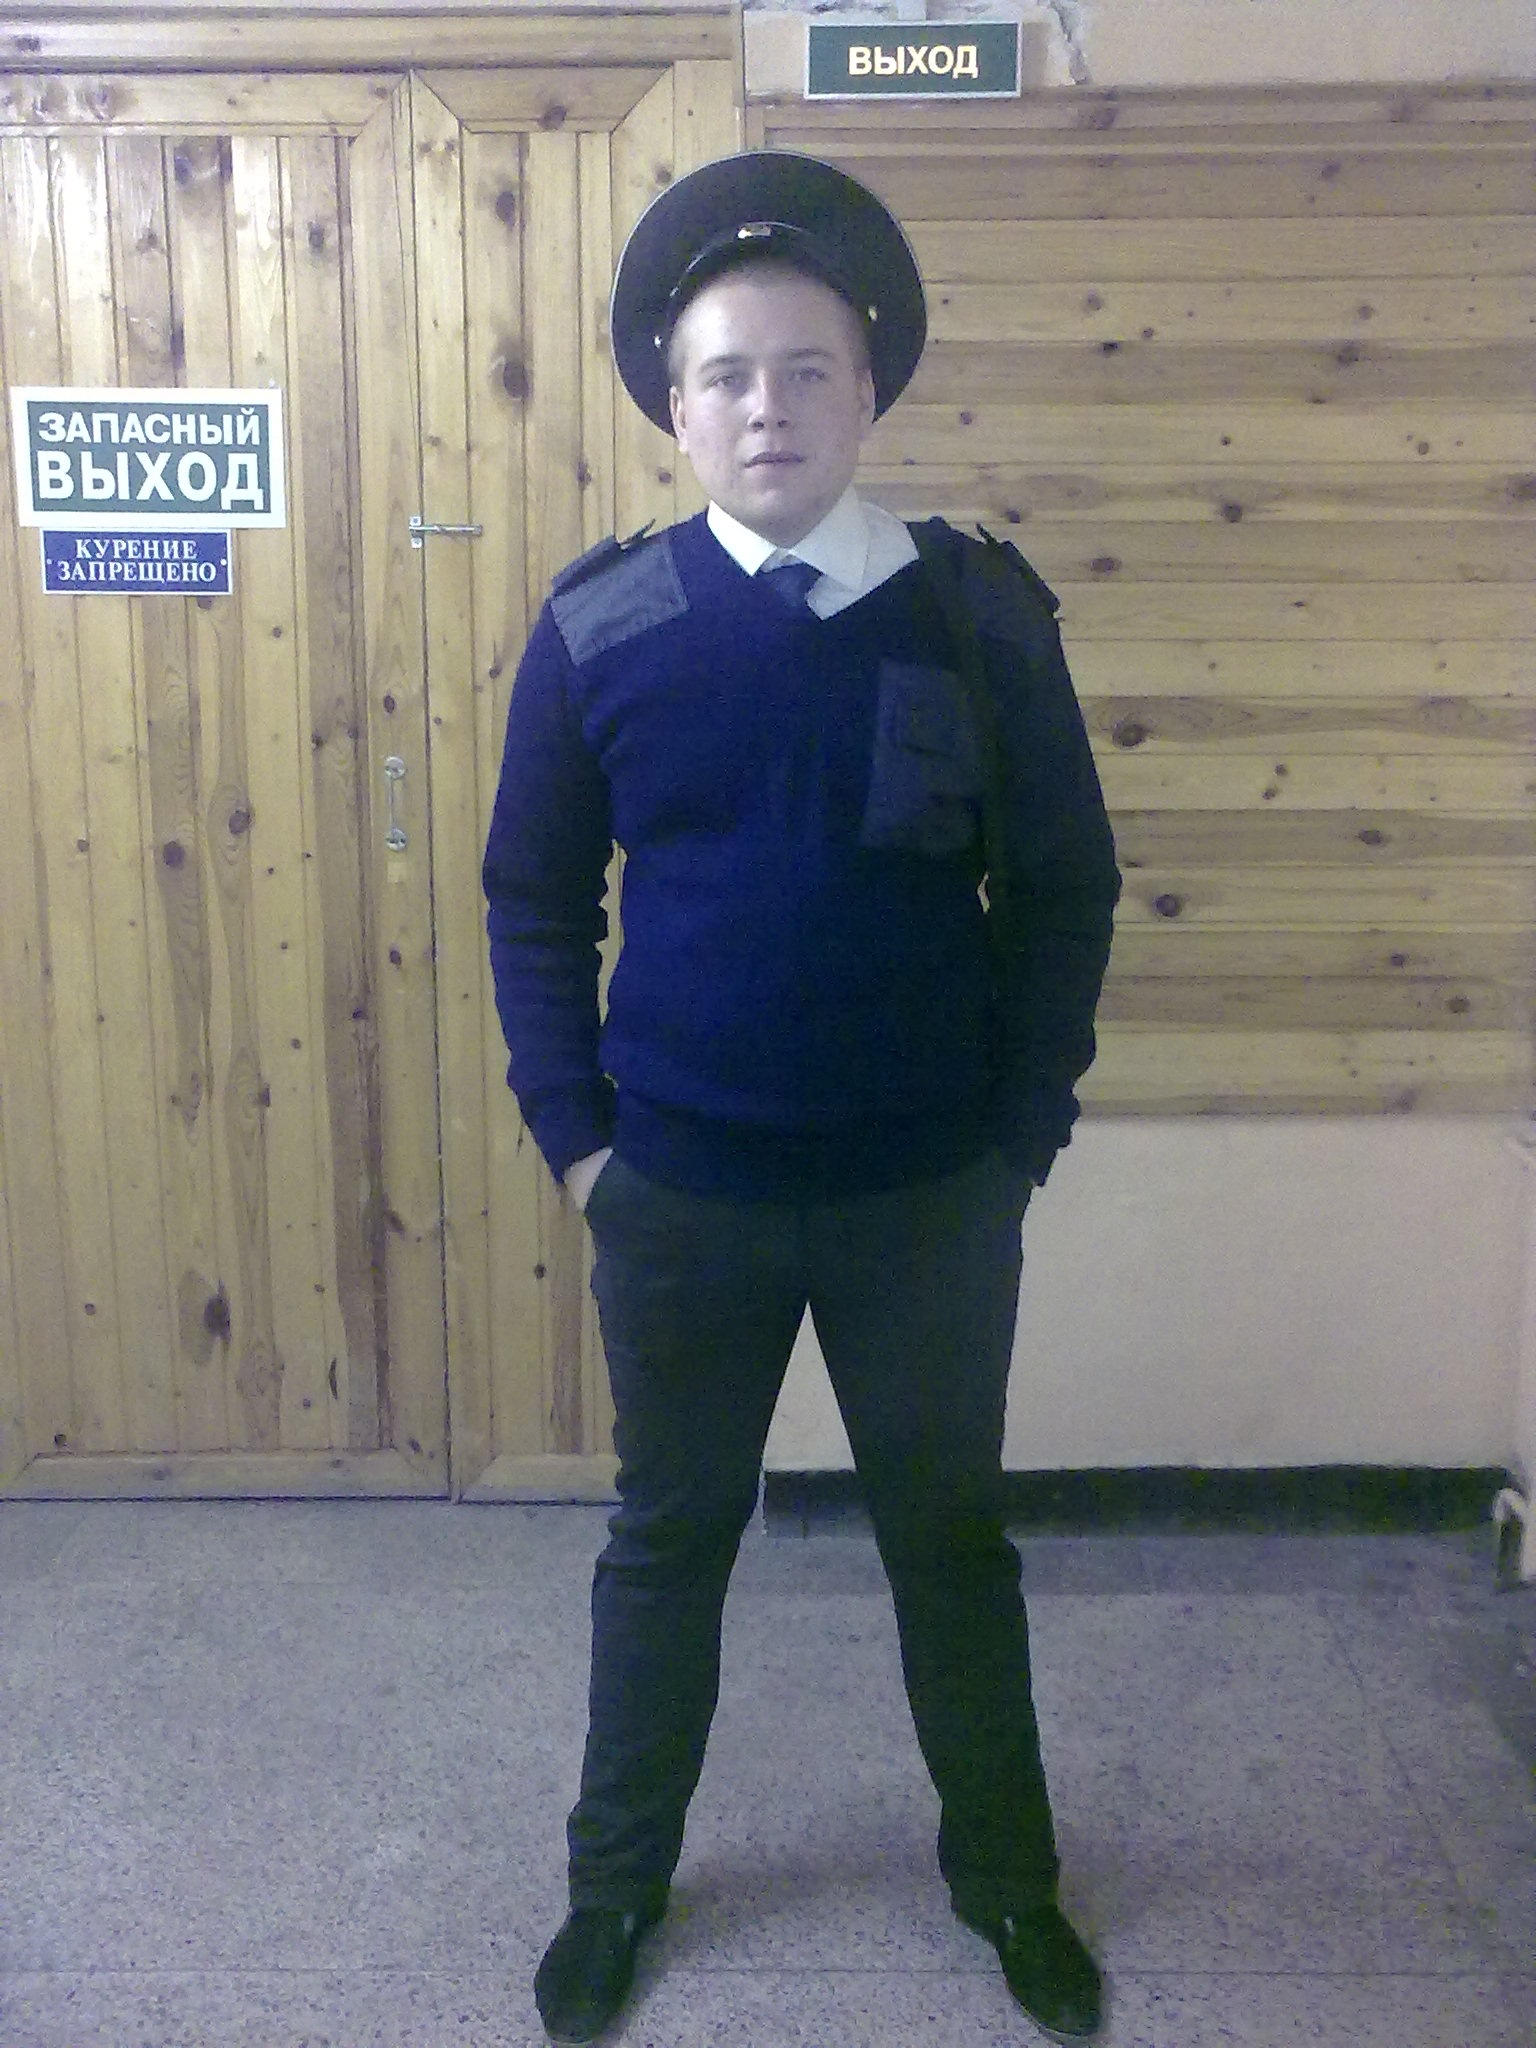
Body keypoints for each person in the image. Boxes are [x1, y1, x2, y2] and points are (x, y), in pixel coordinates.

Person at [483, 150, 1121, 2046]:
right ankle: (616, 1889)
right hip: (678, 1196)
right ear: (675, 407)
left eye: (807, 370)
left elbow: (1066, 888)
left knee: (951, 1545)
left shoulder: (980, 615)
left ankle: (1008, 1883)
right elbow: (532, 895)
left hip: (930, 1199)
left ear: (869, 389)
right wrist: (578, 1142)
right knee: (667, 1545)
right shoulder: (603, 625)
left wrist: (1021, 1139)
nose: (768, 407)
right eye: (728, 376)